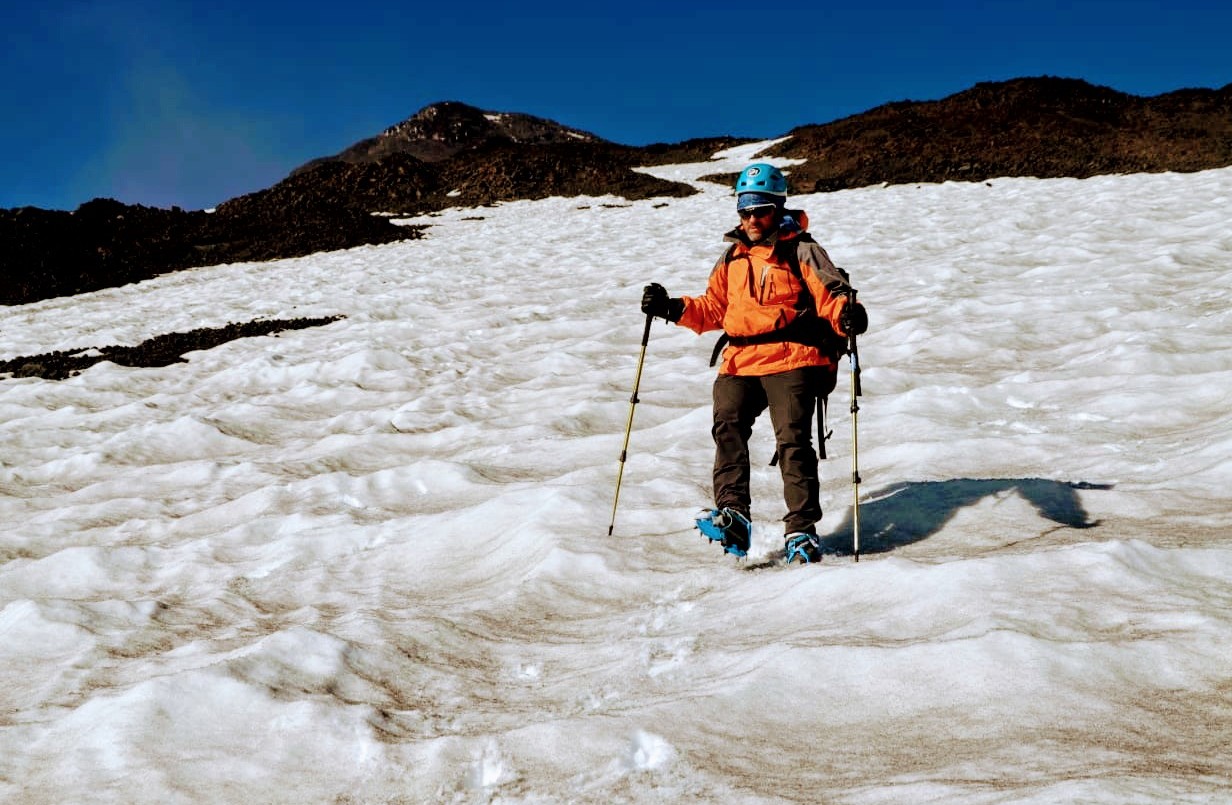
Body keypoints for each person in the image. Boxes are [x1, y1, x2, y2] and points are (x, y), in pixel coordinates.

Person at [641, 162, 867, 563]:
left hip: (794, 356)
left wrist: (847, 315)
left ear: (778, 208)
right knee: (727, 425)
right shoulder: (732, 258)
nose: (750, 218)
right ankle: (735, 517)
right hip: (741, 360)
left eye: (759, 209)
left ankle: (801, 530)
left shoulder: (802, 250)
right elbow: (712, 309)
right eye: (744, 210)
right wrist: (671, 307)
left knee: (792, 440)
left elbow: (832, 294)